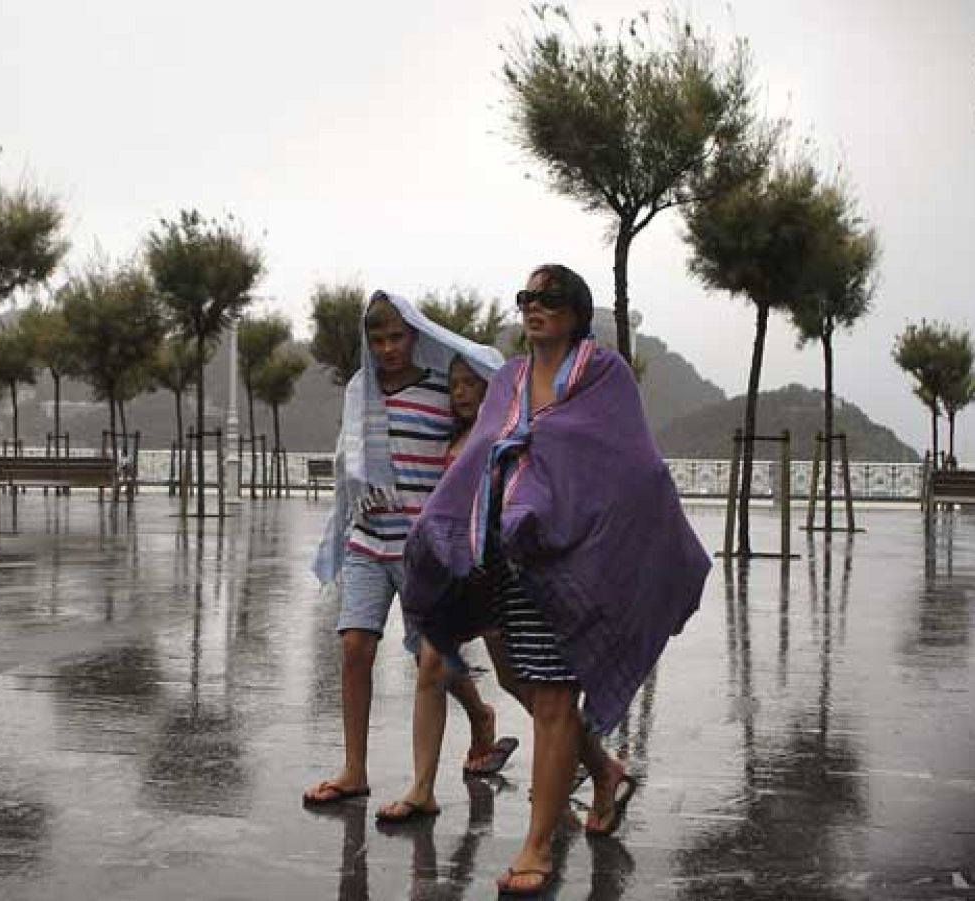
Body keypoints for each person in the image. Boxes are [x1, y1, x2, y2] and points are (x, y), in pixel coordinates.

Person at [402, 265, 711, 896]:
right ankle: (605, 771)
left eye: (547, 299)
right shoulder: (510, 379)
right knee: (528, 685)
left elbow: (629, 463)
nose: (533, 308)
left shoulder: (603, 373)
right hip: (513, 560)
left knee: (553, 700)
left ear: (574, 311)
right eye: (525, 298)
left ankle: (537, 845)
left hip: (577, 563)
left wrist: (557, 488)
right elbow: (485, 451)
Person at [303, 291, 509, 808]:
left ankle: (480, 714)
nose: (389, 348)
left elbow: (474, 431)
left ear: (414, 336)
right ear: (368, 343)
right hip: (368, 539)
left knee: (430, 659)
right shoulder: (361, 391)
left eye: (397, 337)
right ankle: (354, 769)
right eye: (379, 339)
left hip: (424, 551)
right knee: (354, 646)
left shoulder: (443, 390)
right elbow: (349, 460)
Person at [373, 355, 522, 825]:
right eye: (453, 383)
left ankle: (597, 764)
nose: (458, 392)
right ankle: (422, 789)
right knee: (431, 668)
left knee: (519, 680)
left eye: (469, 383)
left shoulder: (501, 434)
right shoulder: (454, 437)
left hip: (492, 574)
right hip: (454, 573)